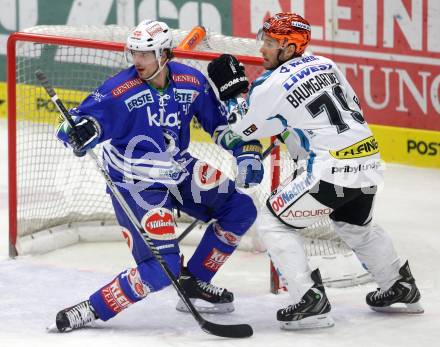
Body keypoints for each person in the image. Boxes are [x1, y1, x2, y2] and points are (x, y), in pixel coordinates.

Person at [207, 12, 423, 330]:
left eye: (269, 43)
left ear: (290, 47)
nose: (262, 49)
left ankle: (309, 301)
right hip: (370, 159)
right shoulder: (326, 63)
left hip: (331, 168)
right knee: (355, 226)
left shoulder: (271, 83)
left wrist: (233, 90)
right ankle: (399, 287)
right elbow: (352, 107)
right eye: (263, 41)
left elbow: (243, 128)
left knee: (273, 222)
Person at [52, 19, 264, 332]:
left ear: (164, 54)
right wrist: (77, 132)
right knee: (160, 270)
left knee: (241, 209)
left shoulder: (192, 81)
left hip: (178, 170)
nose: (137, 61)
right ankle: (90, 308)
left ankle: (194, 282)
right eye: (134, 53)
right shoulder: (118, 90)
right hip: (135, 182)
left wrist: (245, 151)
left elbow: (219, 125)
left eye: (145, 54)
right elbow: (74, 125)